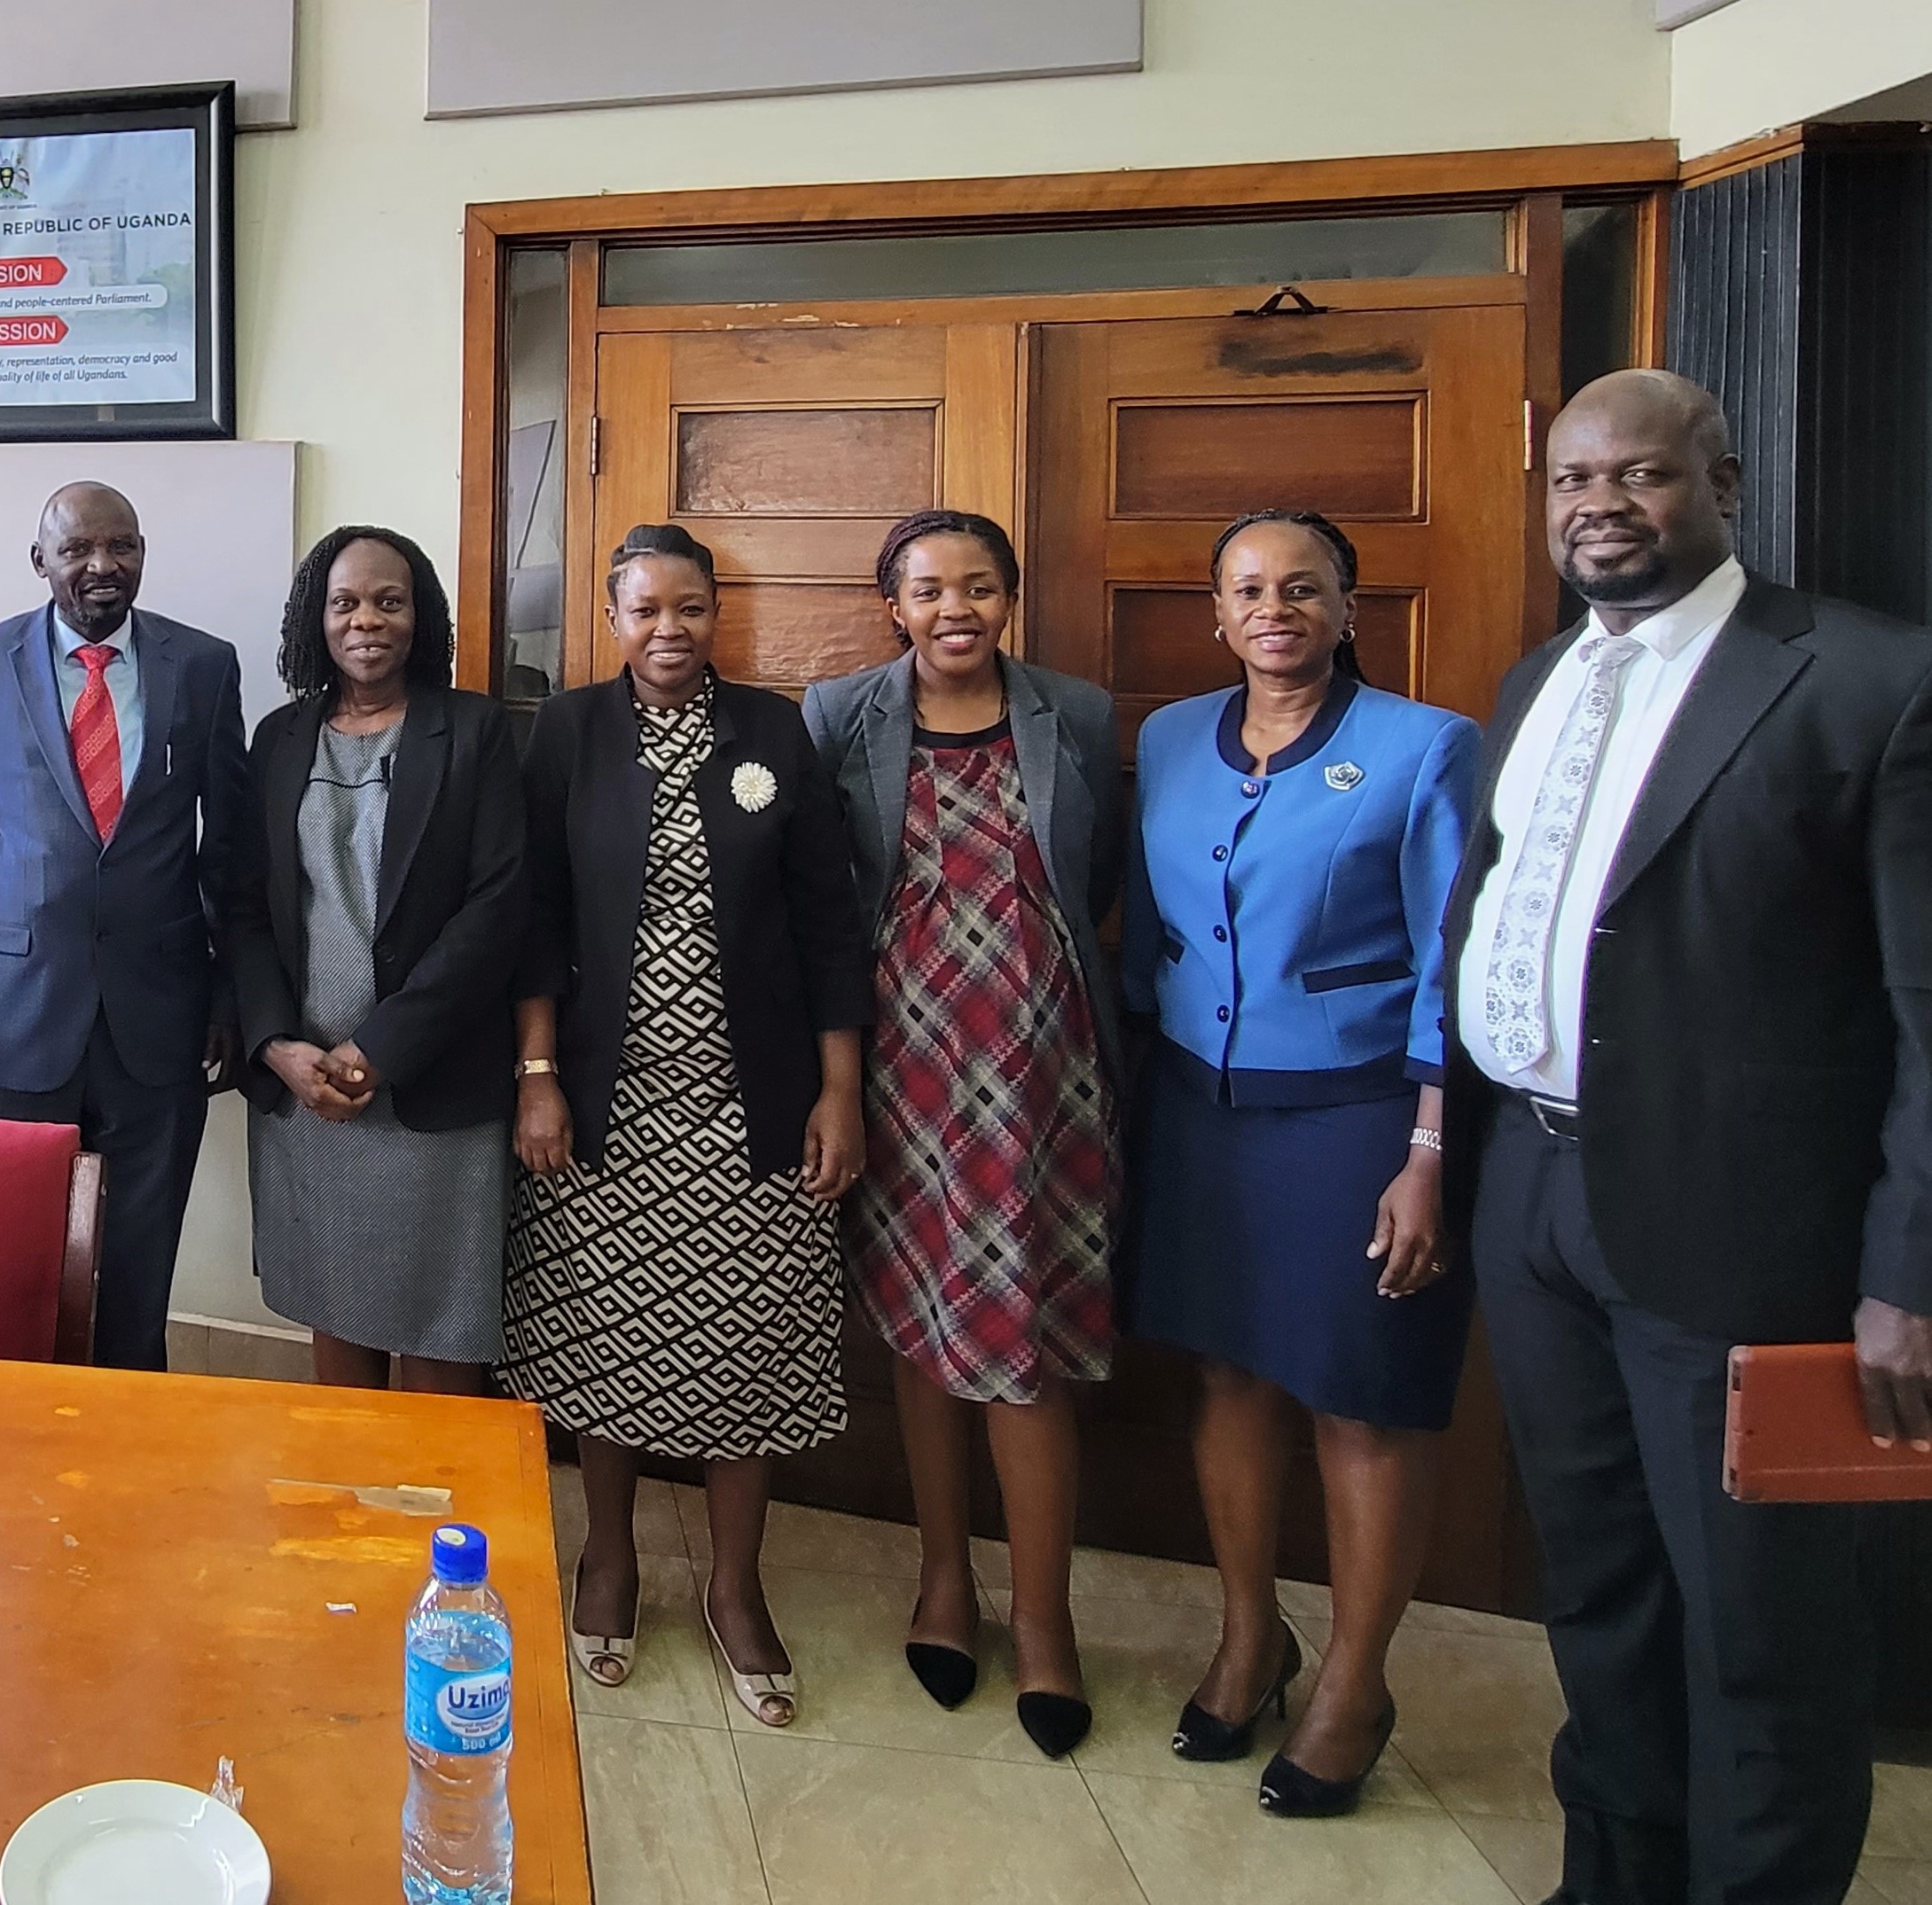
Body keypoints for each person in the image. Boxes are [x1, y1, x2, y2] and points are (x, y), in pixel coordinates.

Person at [1447, 369, 1932, 1903]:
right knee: (1596, 1592)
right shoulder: (1532, 682)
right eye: (1567, 479)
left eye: (1635, 474)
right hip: (1528, 1190)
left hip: (1741, 1226)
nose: (1594, 504)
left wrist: (1905, 1268)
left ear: (1719, 477)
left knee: (1758, 1631)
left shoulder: (1863, 679)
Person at [1122, 509, 1480, 1815]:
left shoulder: (1425, 745)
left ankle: (1354, 1682)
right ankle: (1247, 1634)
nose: (1275, 609)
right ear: (1216, 612)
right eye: (1249, 590)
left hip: (1363, 1119)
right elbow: (1142, 934)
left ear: (1346, 603)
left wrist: (1432, 1151)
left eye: (1303, 587)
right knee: (1226, 1374)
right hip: (1201, 1113)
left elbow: (1455, 964)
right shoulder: (1167, 738)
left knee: (1361, 1397)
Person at [506, 523, 871, 1730]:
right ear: (613, 618)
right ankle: (606, 1555)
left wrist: (838, 1088)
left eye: (692, 609)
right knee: (608, 1338)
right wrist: (540, 1072)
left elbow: (827, 922)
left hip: (752, 1101)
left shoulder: (775, 731)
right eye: (647, 610)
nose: (671, 631)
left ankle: (733, 1583)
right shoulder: (567, 731)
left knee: (749, 1345)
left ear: (719, 616)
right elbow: (539, 913)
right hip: (608, 1102)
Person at [803, 509, 1122, 1757]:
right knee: (924, 1329)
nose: (955, 609)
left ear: (1009, 598)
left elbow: (1103, 890)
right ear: (892, 604)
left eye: (979, 587)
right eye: (929, 588)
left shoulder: (1078, 714)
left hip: (1043, 1078)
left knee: (1024, 1340)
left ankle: (1046, 1618)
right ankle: (946, 1581)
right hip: (898, 1070)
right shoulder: (841, 716)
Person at [0, 481, 254, 1371]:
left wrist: (227, 994)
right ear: (41, 562)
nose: (103, 566)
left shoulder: (201, 666)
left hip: (159, 1017)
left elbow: (231, 857)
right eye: (79, 549)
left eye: (121, 546)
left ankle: (126, 1460)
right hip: (11, 1017)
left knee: (137, 1284)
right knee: (6, 1270)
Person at [231, 526, 522, 1394]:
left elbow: (497, 907)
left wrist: (381, 1046)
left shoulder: (473, 731)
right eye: (346, 602)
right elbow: (244, 907)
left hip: (427, 1087)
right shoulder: (279, 738)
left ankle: (436, 1528)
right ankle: (347, 1522)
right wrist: (277, 1045)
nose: (368, 620)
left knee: (439, 1323)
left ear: (418, 614)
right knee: (334, 1313)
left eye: (388, 601)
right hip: (307, 1089)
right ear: (315, 618)